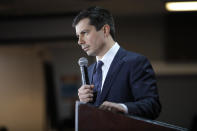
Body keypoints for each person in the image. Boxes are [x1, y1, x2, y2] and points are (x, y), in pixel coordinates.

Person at [72, 6, 161, 119]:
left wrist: (123, 108)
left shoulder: (135, 62)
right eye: (78, 36)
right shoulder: (88, 71)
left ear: (105, 30)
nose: (80, 41)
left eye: (84, 33)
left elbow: (153, 106)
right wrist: (84, 103)